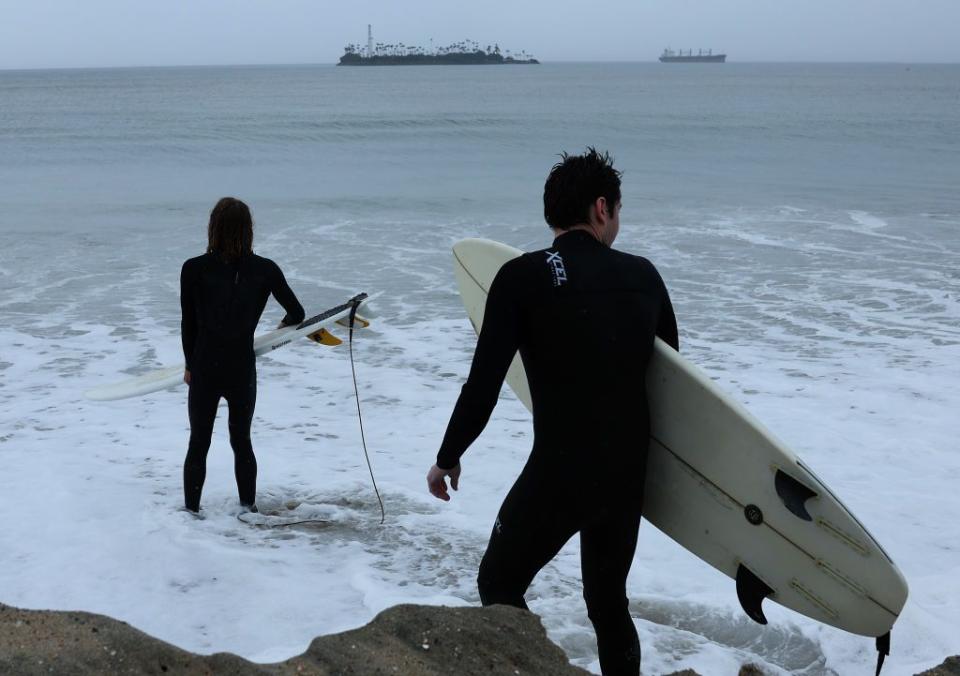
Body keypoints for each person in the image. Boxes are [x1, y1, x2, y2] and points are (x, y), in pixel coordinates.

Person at [426, 149, 678, 675]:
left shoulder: (522, 277)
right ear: (603, 208)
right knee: (608, 603)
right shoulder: (644, 277)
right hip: (625, 475)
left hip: (561, 469)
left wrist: (448, 456)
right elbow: (673, 381)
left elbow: (485, 383)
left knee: (499, 584)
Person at [180, 197, 304, 514]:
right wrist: (282, 326)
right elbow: (297, 313)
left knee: (199, 443)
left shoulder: (193, 269)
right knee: (242, 442)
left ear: (213, 228)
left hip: (205, 367)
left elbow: (188, 323)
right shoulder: (266, 270)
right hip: (241, 368)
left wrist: (189, 365)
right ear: (248, 230)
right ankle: (247, 512)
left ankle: (191, 514)